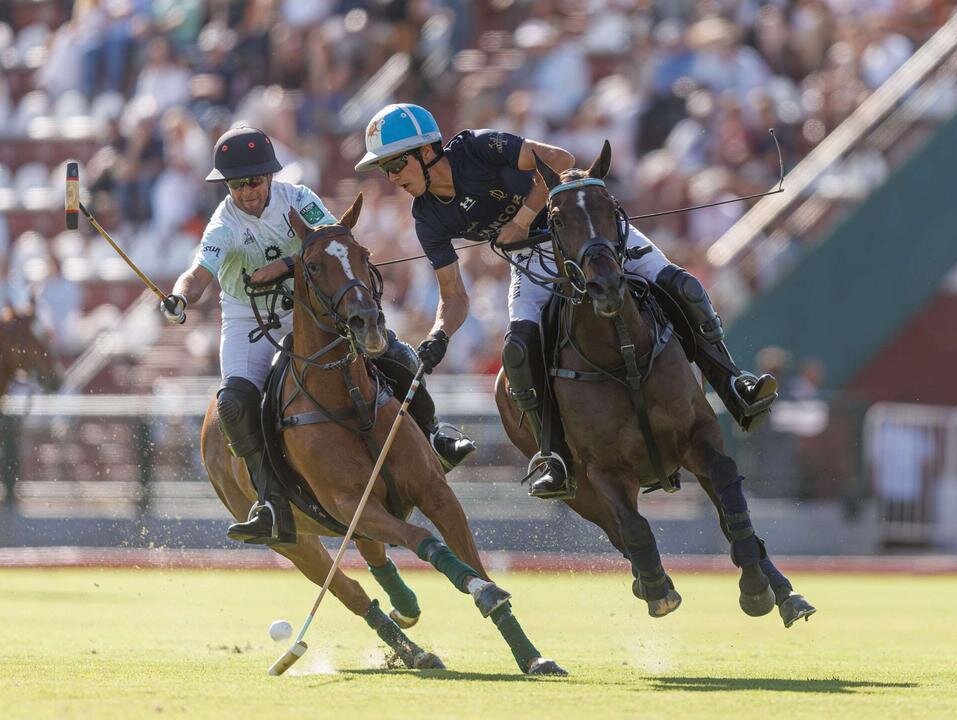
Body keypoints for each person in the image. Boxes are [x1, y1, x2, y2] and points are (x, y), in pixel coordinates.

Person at [355, 103, 777, 500]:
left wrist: (520, 221)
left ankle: (732, 383)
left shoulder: (478, 148)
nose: (392, 177)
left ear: (427, 150)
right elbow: (454, 295)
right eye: (385, 169)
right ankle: (554, 456)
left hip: (585, 233)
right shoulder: (426, 216)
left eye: (396, 163)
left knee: (683, 286)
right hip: (532, 262)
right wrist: (439, 335)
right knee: (517, 351)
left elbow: (559, 159)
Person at [160, 125, 475, 546]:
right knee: (235, 404)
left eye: (254, 180)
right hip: (249, 321)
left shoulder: (299, 199)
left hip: (311, 309)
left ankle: (434, 434)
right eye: (237, 184)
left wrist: (286, 266)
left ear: (270, 176)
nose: (247, 191)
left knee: (397, 355)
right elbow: (198, 275)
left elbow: (334, 242)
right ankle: (270, 503)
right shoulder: (224, 223)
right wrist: (179, 298)